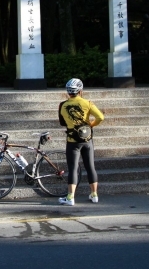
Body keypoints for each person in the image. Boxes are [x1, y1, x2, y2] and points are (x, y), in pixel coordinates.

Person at [58, 78, 104, 206]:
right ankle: (94, 195)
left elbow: (62, 123)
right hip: (87, 139)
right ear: (80, 91)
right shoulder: (88, 103)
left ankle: (70, 197)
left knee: (73, 169)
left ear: (68, 92)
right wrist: (91, 125)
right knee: (90, 167)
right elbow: (101, 117)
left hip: (72, 141)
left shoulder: (63, 105)